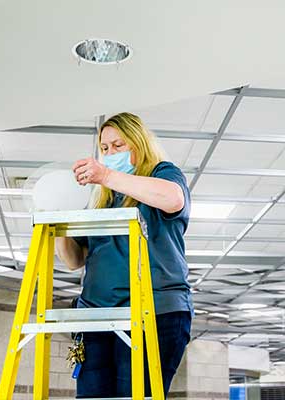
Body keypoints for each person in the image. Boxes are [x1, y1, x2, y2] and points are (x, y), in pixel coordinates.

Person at [55, 112, 193, 398]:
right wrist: (58, 222)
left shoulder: (162, 174)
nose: (110, 154)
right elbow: (73, 260)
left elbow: (173, 198)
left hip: (155, 311)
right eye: (105, 149)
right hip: (97, 316)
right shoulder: (102, 199)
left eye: (119, 145)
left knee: (136, 393)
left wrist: (105, 174)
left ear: (139, 144)